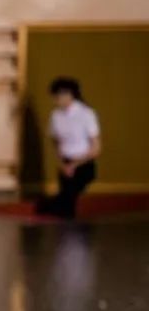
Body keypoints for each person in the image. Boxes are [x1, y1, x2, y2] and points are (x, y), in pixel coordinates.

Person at [36, 77, 101, 219]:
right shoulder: (55, 115)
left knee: (67, 201)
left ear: (69, 95)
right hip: (65, 164)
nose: (55, 100)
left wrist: (74, 165)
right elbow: (56, 142)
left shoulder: (86, 114)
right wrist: (62, 163)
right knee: (64, 202)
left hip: (83, 164)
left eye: (57, 96)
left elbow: (96, 148)